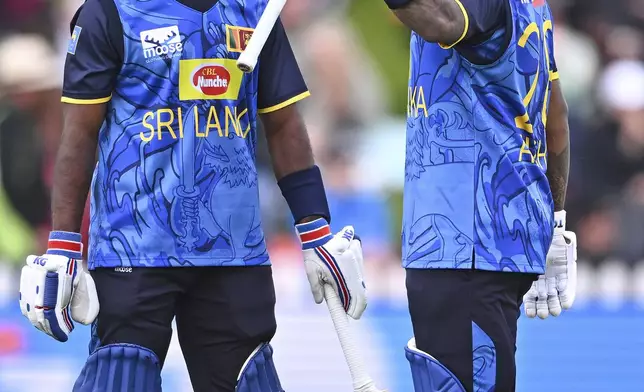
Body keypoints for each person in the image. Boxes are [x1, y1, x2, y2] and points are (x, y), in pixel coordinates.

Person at [17, 0, 367, 391]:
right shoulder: (110, 11)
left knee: (247, 382)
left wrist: (314, 228)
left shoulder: (256, 12)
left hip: (234, 250)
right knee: (121, 376)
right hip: (134, 247)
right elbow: (79, 134)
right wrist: (63, 244)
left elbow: (284, 124)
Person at [382, 0, 578, 391]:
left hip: (465, 245)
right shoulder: (534, 6)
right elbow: (555, 117)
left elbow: (444, 21)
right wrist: (555, 223)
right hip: (493, 241)